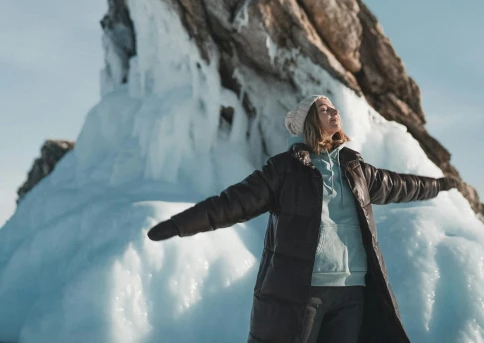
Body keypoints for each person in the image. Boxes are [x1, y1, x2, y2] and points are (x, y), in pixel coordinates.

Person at [148, 94, 459, 343]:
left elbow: (403, 186)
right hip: (304, 293)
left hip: (353, 292)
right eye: (323, 109)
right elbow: (232, 203)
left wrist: (439, 184)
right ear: (309, 121)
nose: (333, 112)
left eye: (333, 107)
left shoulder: (356, 169)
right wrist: (179, 225)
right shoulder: (284, 169)